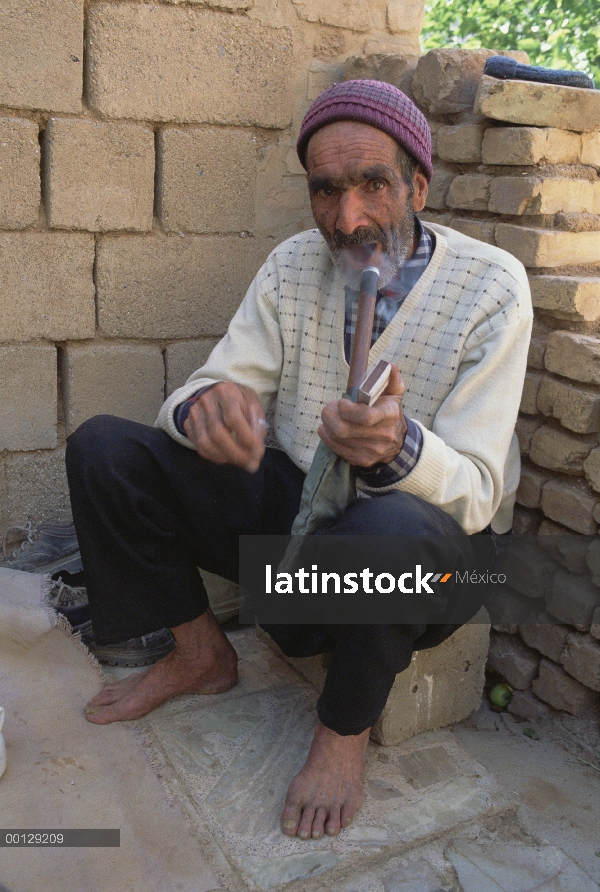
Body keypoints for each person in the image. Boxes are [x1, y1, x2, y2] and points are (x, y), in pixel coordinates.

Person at [66, 79, 532, 842]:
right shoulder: (293, 266)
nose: (348, 219)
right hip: (303, 541)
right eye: (326, 191)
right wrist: (208, 409)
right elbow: (213, 383)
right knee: (106, 449)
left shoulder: (491, 287)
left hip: (429, 562)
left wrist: (399, 448)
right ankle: (199, 654)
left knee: (395, 527)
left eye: (373, 185)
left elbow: (477, 492)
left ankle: (343, 735)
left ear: (418, 184)